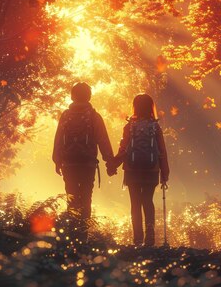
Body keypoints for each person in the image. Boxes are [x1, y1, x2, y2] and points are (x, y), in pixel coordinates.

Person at [52, 82, 114, 239]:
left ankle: (71, 234)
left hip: (69, 163)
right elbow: (103, 140)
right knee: (86, 197)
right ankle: (83, 236)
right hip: (87, 164)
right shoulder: (94, 116)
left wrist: (57, 160)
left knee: (71, 196)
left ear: (72, 96)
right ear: (89, 96)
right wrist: (110, 162)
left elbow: (58, 139)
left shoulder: (65, 116)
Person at [107, 93, 170, 246]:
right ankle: (150, 237)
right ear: (150, 107)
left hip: (132, 170)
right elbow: (162, 150)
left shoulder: (129, 126)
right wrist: (165, 172)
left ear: (135, 107)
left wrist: (113, 164)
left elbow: (123, 149)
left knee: (135, 203)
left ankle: (137, 239)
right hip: (151, 170)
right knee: (148, 201)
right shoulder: (155, 127)